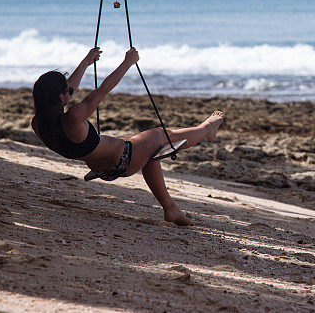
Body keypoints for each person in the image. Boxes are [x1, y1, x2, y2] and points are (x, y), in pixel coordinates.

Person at [32, 47, 223, 226]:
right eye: (66, 91)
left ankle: (170, 209)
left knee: (150, 153)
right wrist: (128, 62)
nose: (70, 92)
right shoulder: (73, 117)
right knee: (162, 135)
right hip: (124, 159)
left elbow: (67, 92)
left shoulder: (39, 124)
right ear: (61, 97)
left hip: (99, 168)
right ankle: (208, 127)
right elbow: (104, 89)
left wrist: (86, 62)